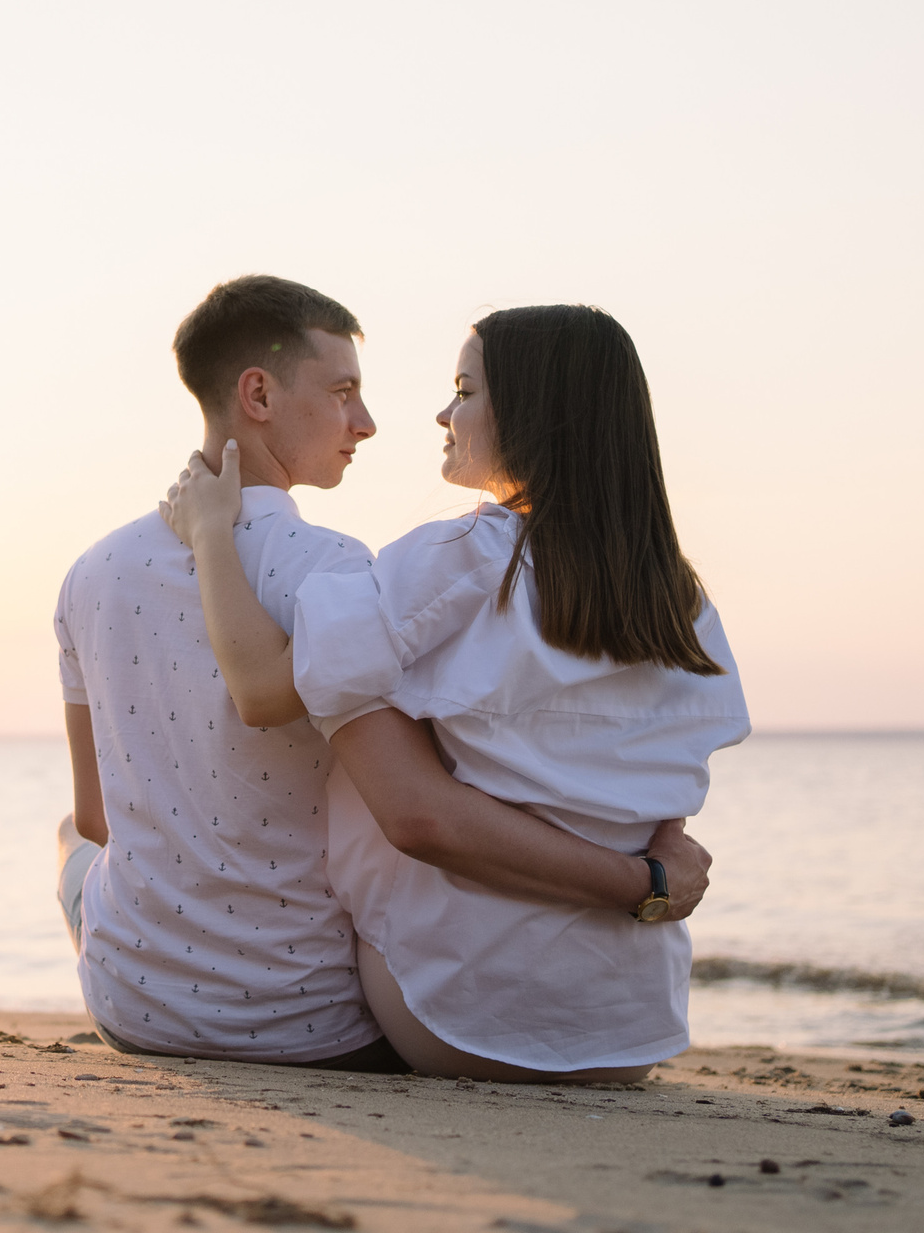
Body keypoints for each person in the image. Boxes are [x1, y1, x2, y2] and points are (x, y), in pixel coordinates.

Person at [55, 276, 711, 1070]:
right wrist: (646, 870)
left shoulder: (88, 575)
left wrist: (211, 539)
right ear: (257, 394)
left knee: (72, 843)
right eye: (343, 392)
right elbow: (395, 786)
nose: (366, 423)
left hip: (134, 1004)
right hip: (316, 1020)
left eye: (462, 392)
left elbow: (98, 819)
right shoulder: (343, 573)